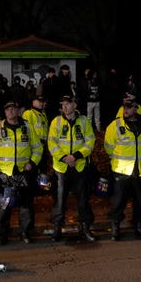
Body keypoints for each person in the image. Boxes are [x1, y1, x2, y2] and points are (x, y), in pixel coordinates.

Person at [0, 100, 42, 245]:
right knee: (5, 206)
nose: (11, 111)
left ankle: (25, 232)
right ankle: (2, 234)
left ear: (18, 111)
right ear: (4, 112)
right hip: (4, 173)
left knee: (26, 206)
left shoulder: (27, 127)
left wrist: (32, 163)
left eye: (14, 109)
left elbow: (37, 148)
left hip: (23, 172)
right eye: (8, 109)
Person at [103, 93, 141, 241]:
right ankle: (115, 226)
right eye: (125, 107)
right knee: (118, 202)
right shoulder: (115, 125)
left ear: (136, 109)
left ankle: (139, 226)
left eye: (130, 107)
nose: (126, 109)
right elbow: (108, 147)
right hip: (122, 170)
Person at [47, 95, 97, 242]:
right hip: (61, 168)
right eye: (63, 104)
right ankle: (57, 229)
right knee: (60, 200)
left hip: (79, 166)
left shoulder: (84, 121)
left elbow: (90, 142)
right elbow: (52, 143)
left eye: (68, 104)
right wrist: (65, 158)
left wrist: (75, 156)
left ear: (75, 105)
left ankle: (85, 228)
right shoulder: (56, 122)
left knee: (83, 199)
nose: (65, 107)